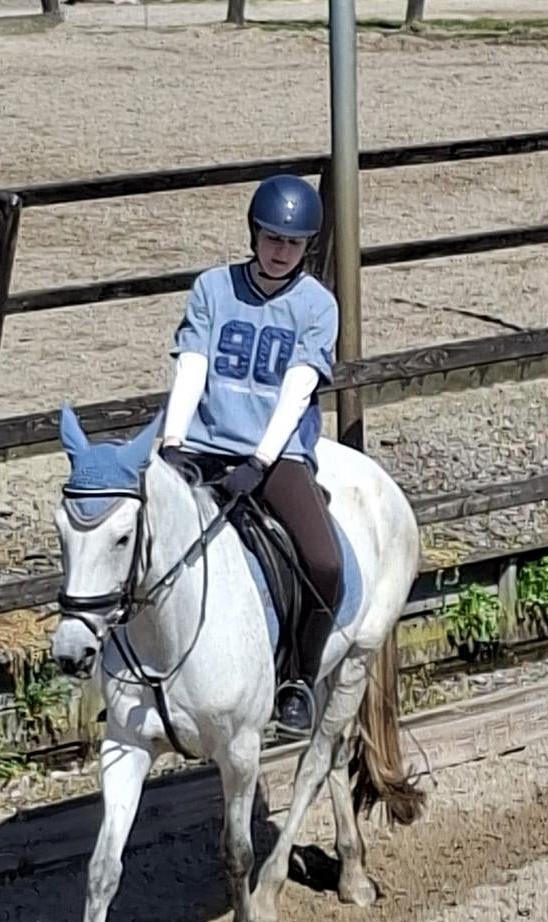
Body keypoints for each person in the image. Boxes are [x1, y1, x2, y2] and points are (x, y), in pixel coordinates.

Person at [160, 173, 343, 737]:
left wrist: (261, 462)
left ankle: (298, 679)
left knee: (323, 563)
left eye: (291, 243)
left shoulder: (316, 305)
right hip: (202, 446)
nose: (280, 250)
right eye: (270, 238)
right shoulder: (213, 288)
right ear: (253, 233)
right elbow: (192, 365)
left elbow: (300, 385)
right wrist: (172, 442)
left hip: (275, 456)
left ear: (307, 246)